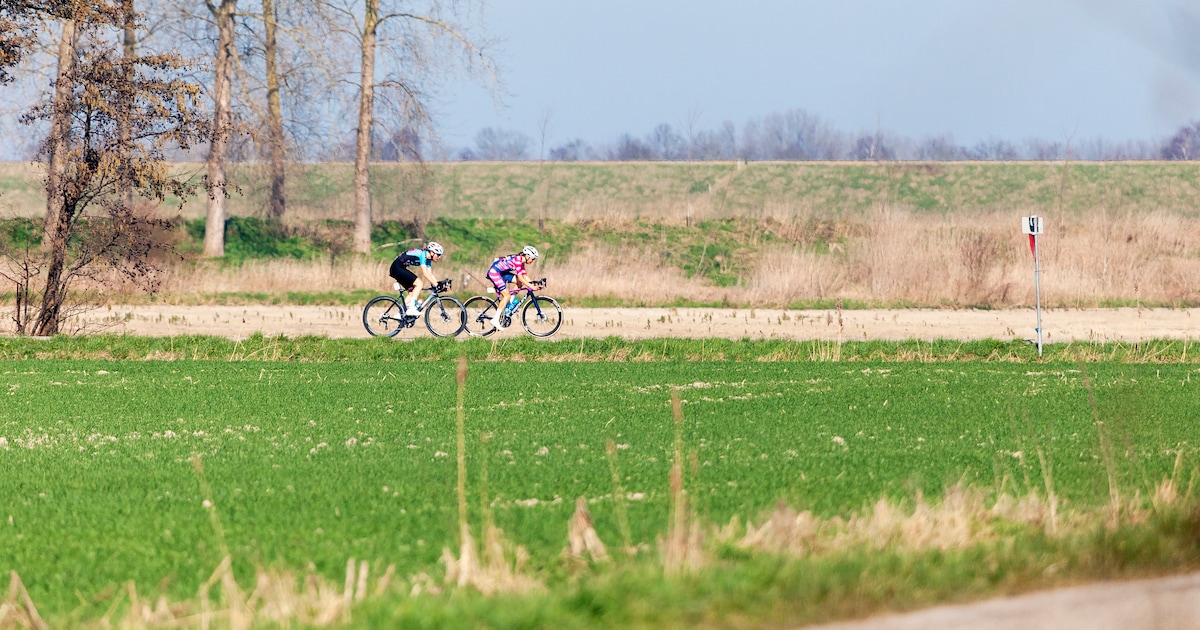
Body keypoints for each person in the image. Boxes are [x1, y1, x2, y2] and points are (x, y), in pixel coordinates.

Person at [486, 245, 539, 329]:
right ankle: (495, 319)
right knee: (507, 295)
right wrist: (531, 286)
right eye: (533, 259)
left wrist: (534, 284)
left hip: (502, 273)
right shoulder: (518, 260)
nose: (533, 261)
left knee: (519, 283)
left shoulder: (521, 261)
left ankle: (508, 306)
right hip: (494, 273)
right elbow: (521, 278)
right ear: (528, 256)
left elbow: (524, 275)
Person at [389, 241, 443, 313]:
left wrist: (439, 284)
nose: (439, 257)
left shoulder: (428, 259)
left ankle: (400, 314)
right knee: (419, 284)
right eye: (438, 255)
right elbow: (425, 273)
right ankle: (412, 307)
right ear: (432, 252)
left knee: (412, 293)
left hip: (399, 268)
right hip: (397, 268)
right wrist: (436, 284)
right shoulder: (423, 254)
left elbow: (430, 274)